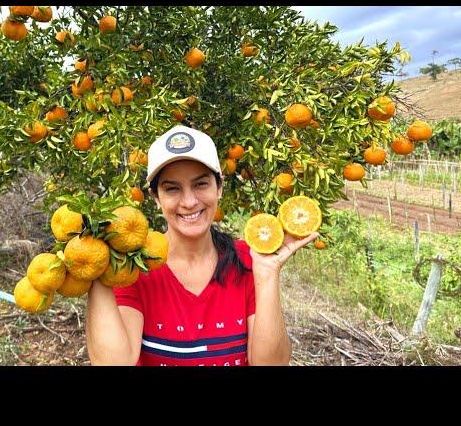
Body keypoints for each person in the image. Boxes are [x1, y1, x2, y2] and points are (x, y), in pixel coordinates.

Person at [85, 125, 318, 365]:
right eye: (172, 188)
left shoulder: (249, 261)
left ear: (219, 188)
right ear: (156, 198)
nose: (188, 201)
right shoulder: (136, 267)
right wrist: (98, 269)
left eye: (200, 184)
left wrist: (267, 275)